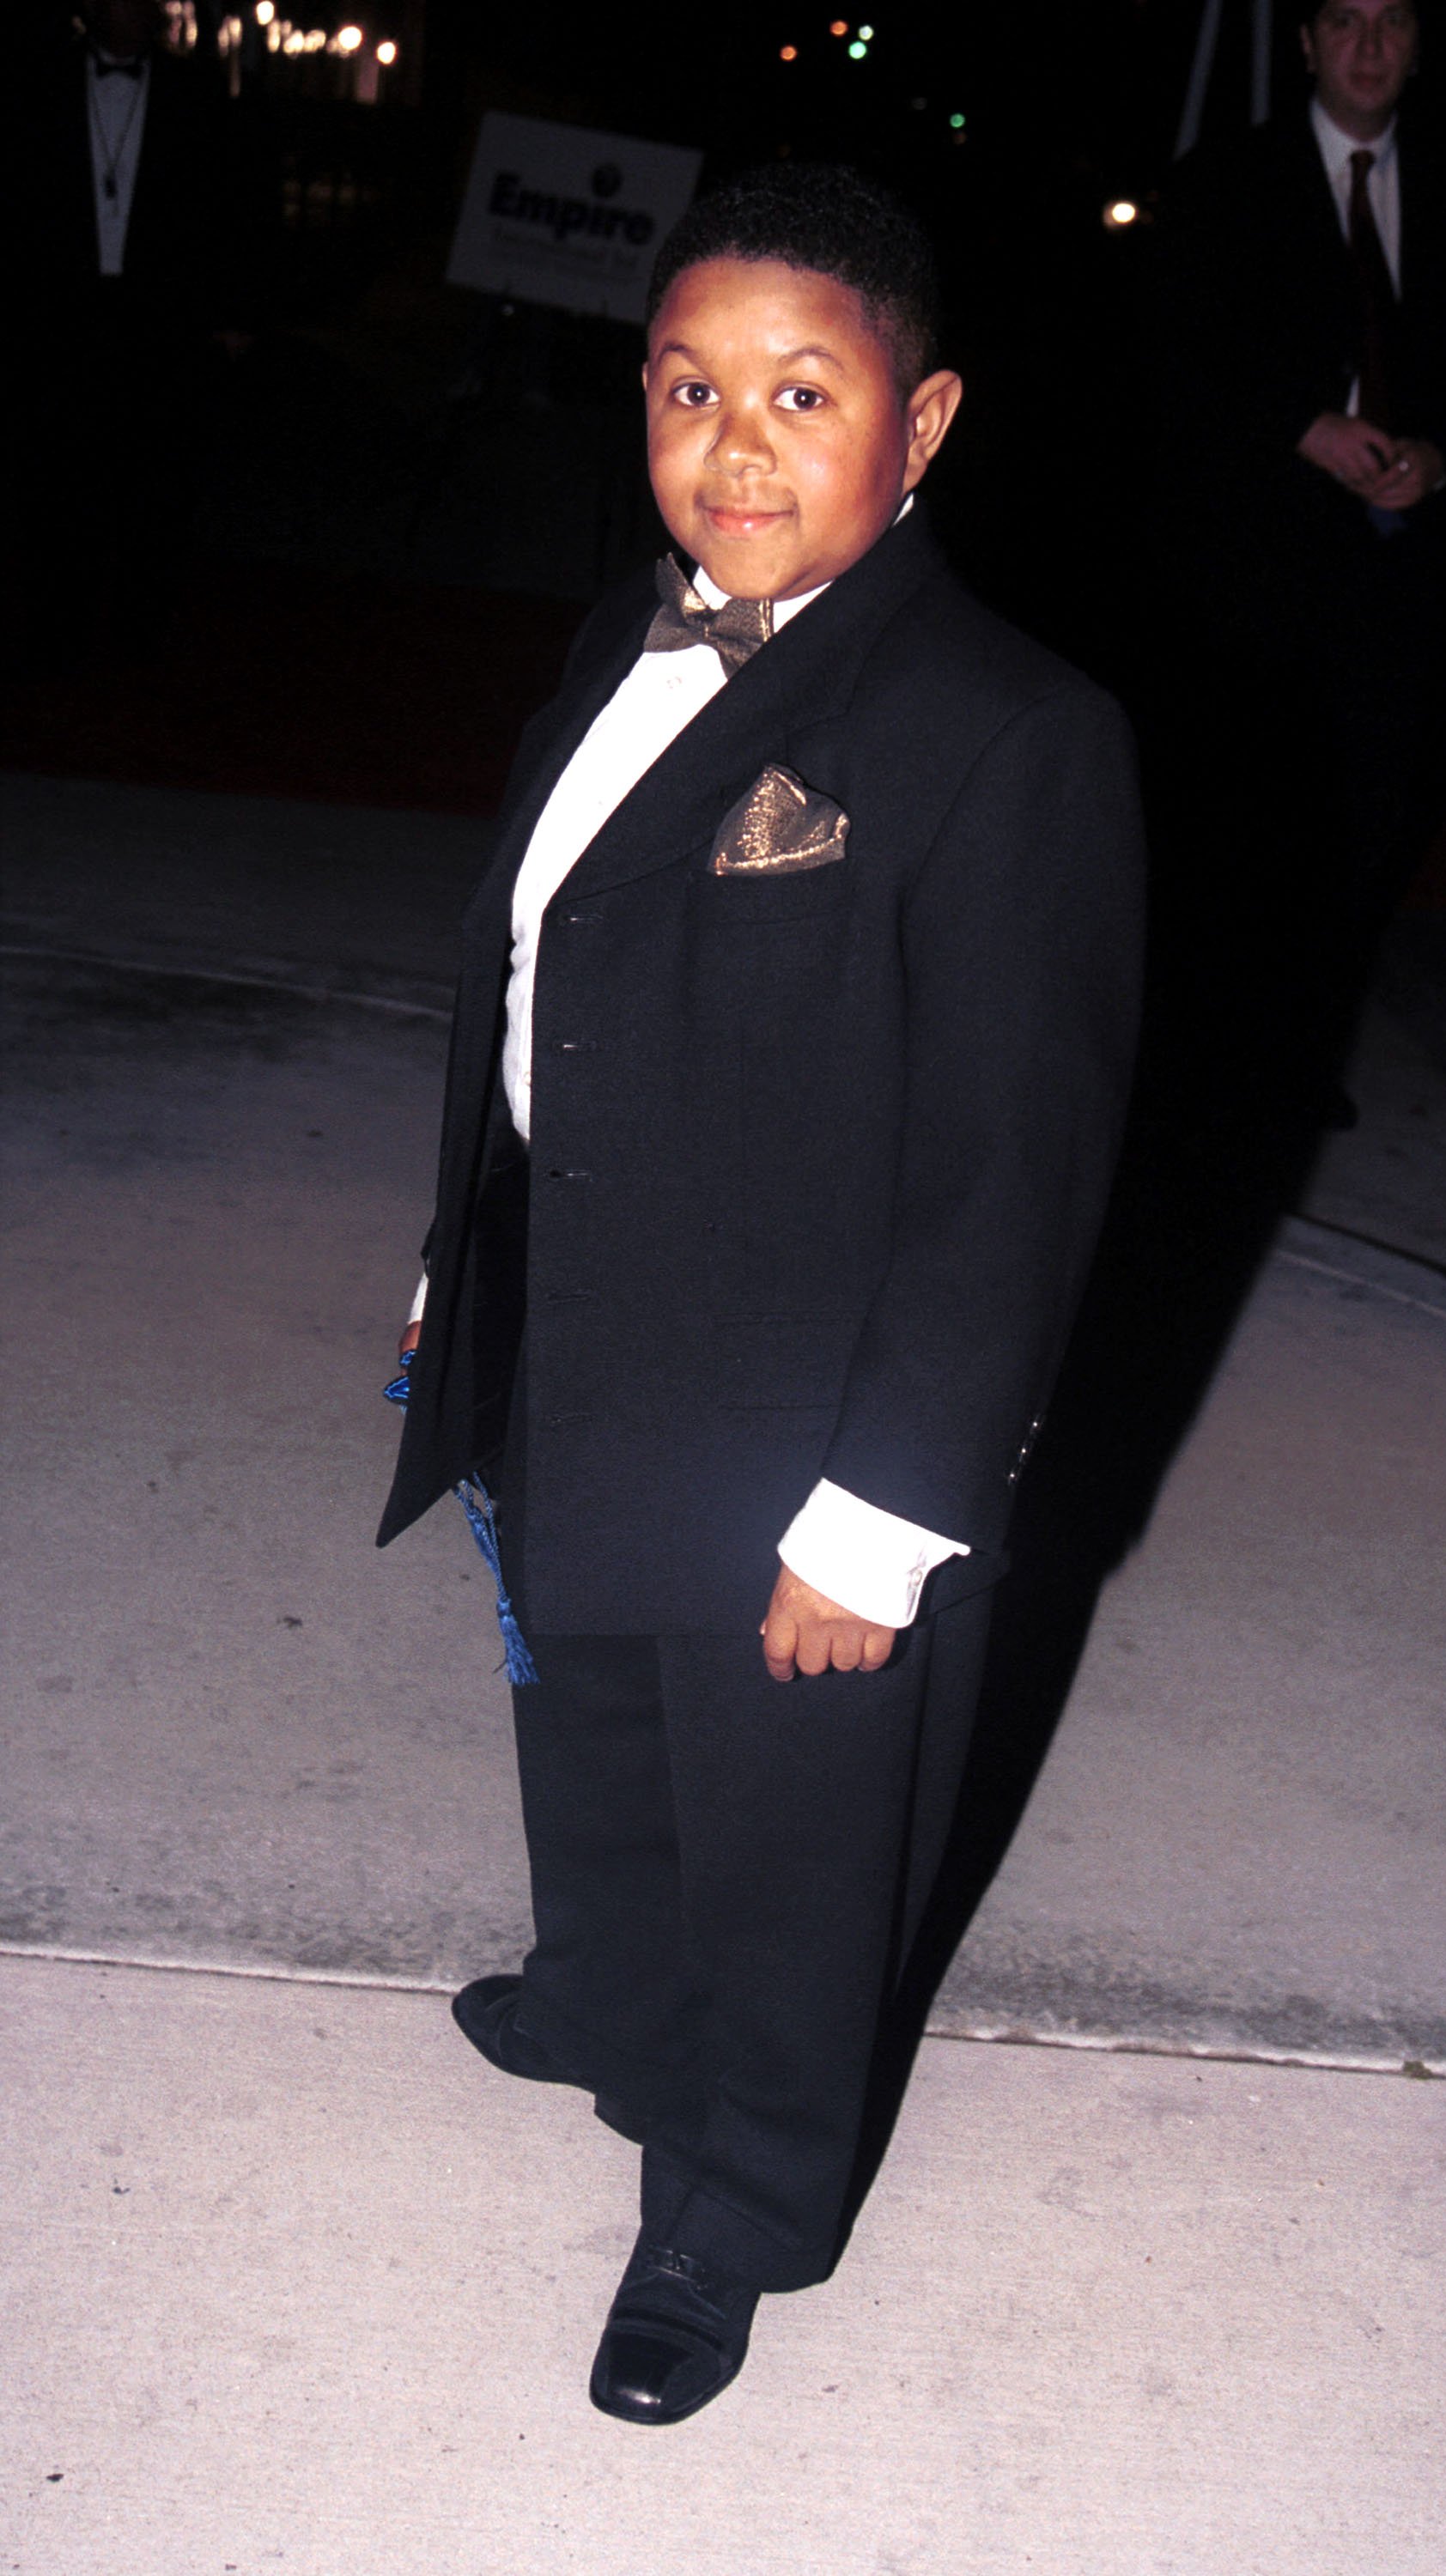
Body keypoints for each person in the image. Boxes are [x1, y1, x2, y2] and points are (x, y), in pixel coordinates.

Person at [379, 165, 1144, 2426]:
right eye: (691, 387)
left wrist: (882, 1511)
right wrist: (461, 1264)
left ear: (920, 429)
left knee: (794, 1838)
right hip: (577, 1346)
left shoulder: (1009, 734)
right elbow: (538, 988)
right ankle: (612, 1992)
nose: (737, 442)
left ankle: (741, 2195)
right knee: (591, 1722)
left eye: (805, 395)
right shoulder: (631, 649)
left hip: (806, 1433)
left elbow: (1014, 1178)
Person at [1145, 0, 1446, 1125]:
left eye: (1392, 23)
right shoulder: (1226, 184)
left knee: (1378, 820)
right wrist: (1301, 426)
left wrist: (1444, 461)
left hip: (1406, 581)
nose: (1366, 46)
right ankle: (1217, 1057)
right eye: (1342, 22)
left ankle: (1299, 1051)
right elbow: (1170, 353)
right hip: (1262, 571)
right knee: (1244, 825)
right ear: (1304, 43)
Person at [0, 0, 262, 672]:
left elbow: (230, 204)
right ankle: (57, 627)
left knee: (155, 479)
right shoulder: (36, 83)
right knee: (57, 475)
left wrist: (232, 311)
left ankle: (139, 633)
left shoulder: (196, 95)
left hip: (160, 317)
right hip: (60, 312)